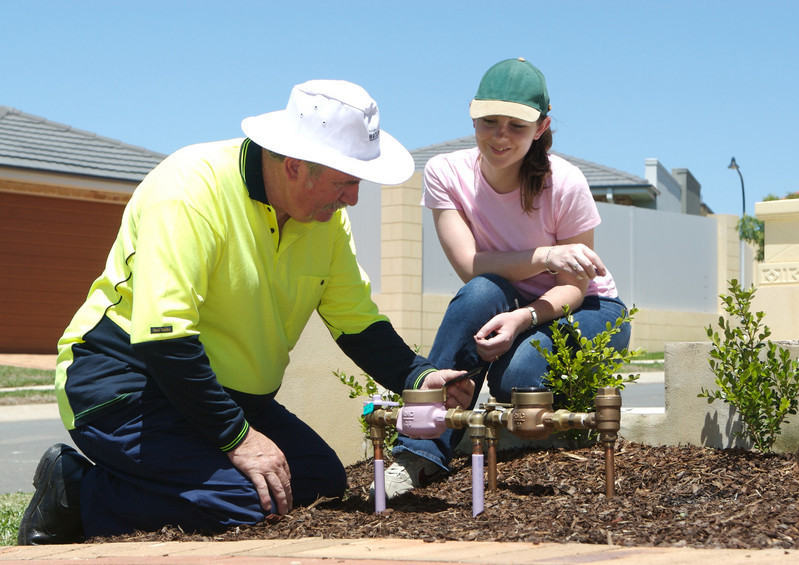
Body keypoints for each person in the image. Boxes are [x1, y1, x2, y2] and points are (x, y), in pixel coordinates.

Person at [17, 79, 475, 545]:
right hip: (123, 383)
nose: (353, 198)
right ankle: (76, 489)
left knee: (318, 481)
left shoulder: (326, 222)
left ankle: (125, 487)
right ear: (296, 166)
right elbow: (164, 339)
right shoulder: (189, 188)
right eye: (346, 181)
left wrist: (419, 376)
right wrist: (239, 439)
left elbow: (357, 323)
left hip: (220, 393)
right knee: (250, 499)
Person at [376, 58, 631, 498]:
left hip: (586, 308)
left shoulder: (564, 183)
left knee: (519, 379)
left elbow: (574, 285)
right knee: (480, 291)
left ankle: (481, 380)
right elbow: (470, 266)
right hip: (501, 298)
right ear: (472, 116)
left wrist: (521, 320)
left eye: (516, 125)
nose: (500, 136)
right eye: (489, 121)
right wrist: (546, 254)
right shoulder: (445, 173)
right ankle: (417, 451)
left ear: (541, 126)